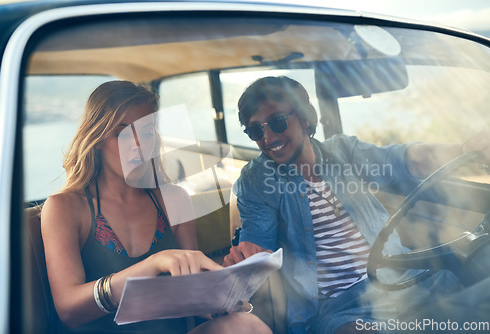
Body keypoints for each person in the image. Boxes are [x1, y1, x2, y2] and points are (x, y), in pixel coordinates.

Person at [223, 76, 490, 334]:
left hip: (402, 280)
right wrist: (244, 267)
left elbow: (405, 160)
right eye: (256, 130)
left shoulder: (344, 151)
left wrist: (465, 149)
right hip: (339, 308)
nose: (268, 137)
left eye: (277, 122)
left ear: (305, 117)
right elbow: (258, 250)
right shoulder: (256, 180)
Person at [41, 80, 272, 334]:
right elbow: (69, 311)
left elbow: (192, 293)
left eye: (147, 132)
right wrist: (155, 263)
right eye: (122, 133)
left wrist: (225, 287)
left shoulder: (174, 199)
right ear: (96, 138)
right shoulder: (64, 207)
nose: (138, 145)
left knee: (248, 325)